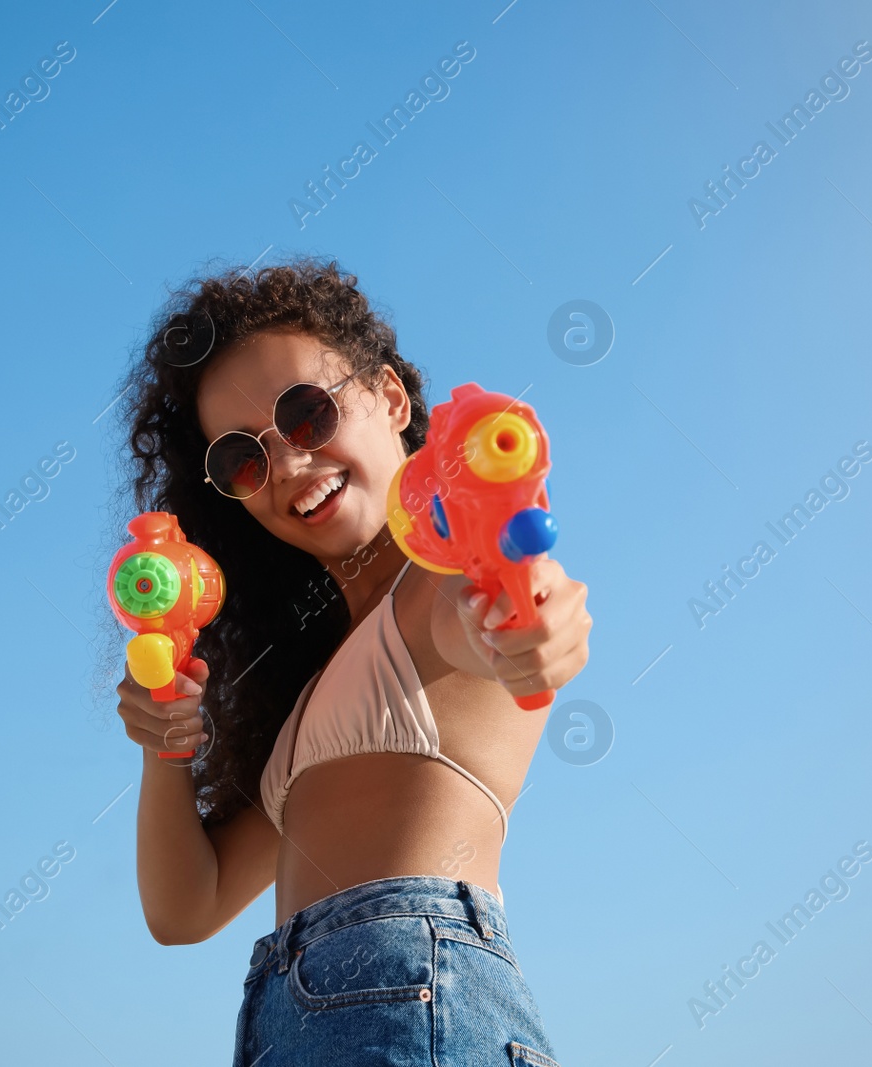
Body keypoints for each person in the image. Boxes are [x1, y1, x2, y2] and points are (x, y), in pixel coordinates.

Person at [109, 257, 590, 1066]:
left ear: (392, 398)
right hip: (292, 1024)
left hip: (411, 997)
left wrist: (536, 620)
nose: (289, 465)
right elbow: (183, 908)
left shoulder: (441, 580)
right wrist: (167, 738)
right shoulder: (316, 703)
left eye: (305, 414)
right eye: (242, 459)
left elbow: (507, 623)